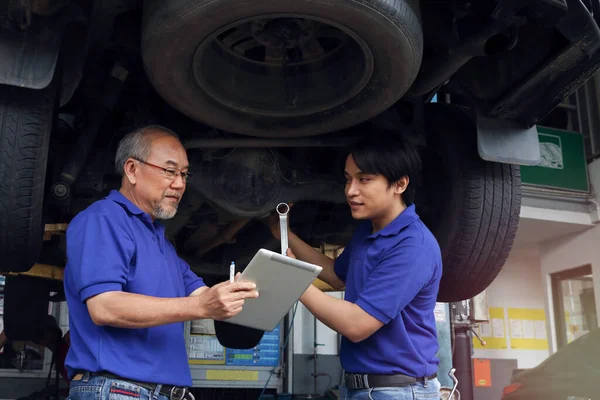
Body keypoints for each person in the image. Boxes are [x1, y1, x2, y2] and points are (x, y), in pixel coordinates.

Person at [63, 125, 259, 400]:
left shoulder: (162, 244)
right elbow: (104, 306)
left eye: (184, 174)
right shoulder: (103, 219)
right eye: (169, 171)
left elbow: (204, 296)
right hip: (117, 390)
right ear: (132, 170)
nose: (179, 184)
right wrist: (200, 306)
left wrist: (251, 291)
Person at [269, 133, 443, 399]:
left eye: (364, 179)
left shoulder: (413, 246)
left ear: (400, 184)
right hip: (360, 387)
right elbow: (336, 275)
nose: (350, 190)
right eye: (348, 178)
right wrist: (284, 234)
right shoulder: (369, 230)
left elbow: (357, 324)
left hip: (398, 391)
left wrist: (293, 279)